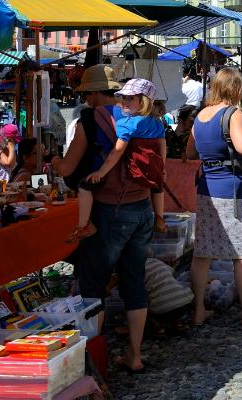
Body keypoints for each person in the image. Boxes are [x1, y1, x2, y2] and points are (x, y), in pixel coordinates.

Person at [65, 64, 153, 374]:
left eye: (87, 93)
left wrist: (55, 162)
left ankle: (93, 359)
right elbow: (159, 173)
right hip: (143, 207)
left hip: (109, 210)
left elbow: (67, 168)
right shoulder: (143, 118)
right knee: (134, 282)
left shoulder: (88, 121)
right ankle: (135, 354)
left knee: (93, 283)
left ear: (91, 93)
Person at [188, 67, 242, 329]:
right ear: (236, 89)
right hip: (233, 189)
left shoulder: (200, 115)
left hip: (207, 189)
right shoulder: (233, 113)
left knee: (202, 254)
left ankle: (198, 310)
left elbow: (191, 151)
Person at [70, 79, 167, 243]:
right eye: (124, 98)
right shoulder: (156, 123)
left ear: (143, 102)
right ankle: (159, 217)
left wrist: (101, 172)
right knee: (158, 185)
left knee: (84, 185)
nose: (125, 101)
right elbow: (162, 146)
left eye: (131, 98)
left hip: (122, 192)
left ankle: (84, 224)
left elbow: (117, 152)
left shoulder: (127, 124)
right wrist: (162, 168)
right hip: (147, 184)